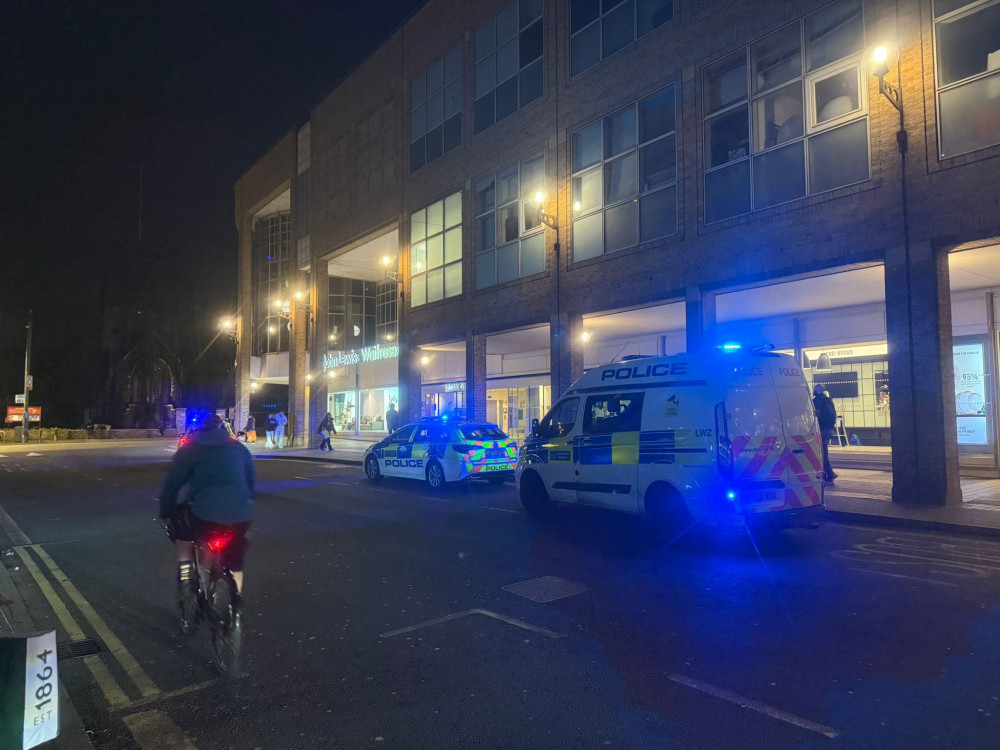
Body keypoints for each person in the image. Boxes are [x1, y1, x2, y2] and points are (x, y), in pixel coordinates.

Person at [159, 414, 255, 598]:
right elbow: (250, 482)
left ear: (199, 430)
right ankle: (235, 604)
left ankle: (189, 580)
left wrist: (166, 510)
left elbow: (172, 485)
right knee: (235, 562)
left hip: (204, 512)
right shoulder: (239, 449)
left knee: (186, 538)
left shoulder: (189, 450)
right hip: (240, 513)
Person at [813, 384, 838, 485]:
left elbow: (815, 414)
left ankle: (829, 475)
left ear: (816, 391)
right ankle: (828, 474)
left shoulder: (816, 401)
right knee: (823, 452)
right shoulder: (828, 400)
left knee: (822, 453)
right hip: (829, 429)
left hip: (822, 429)